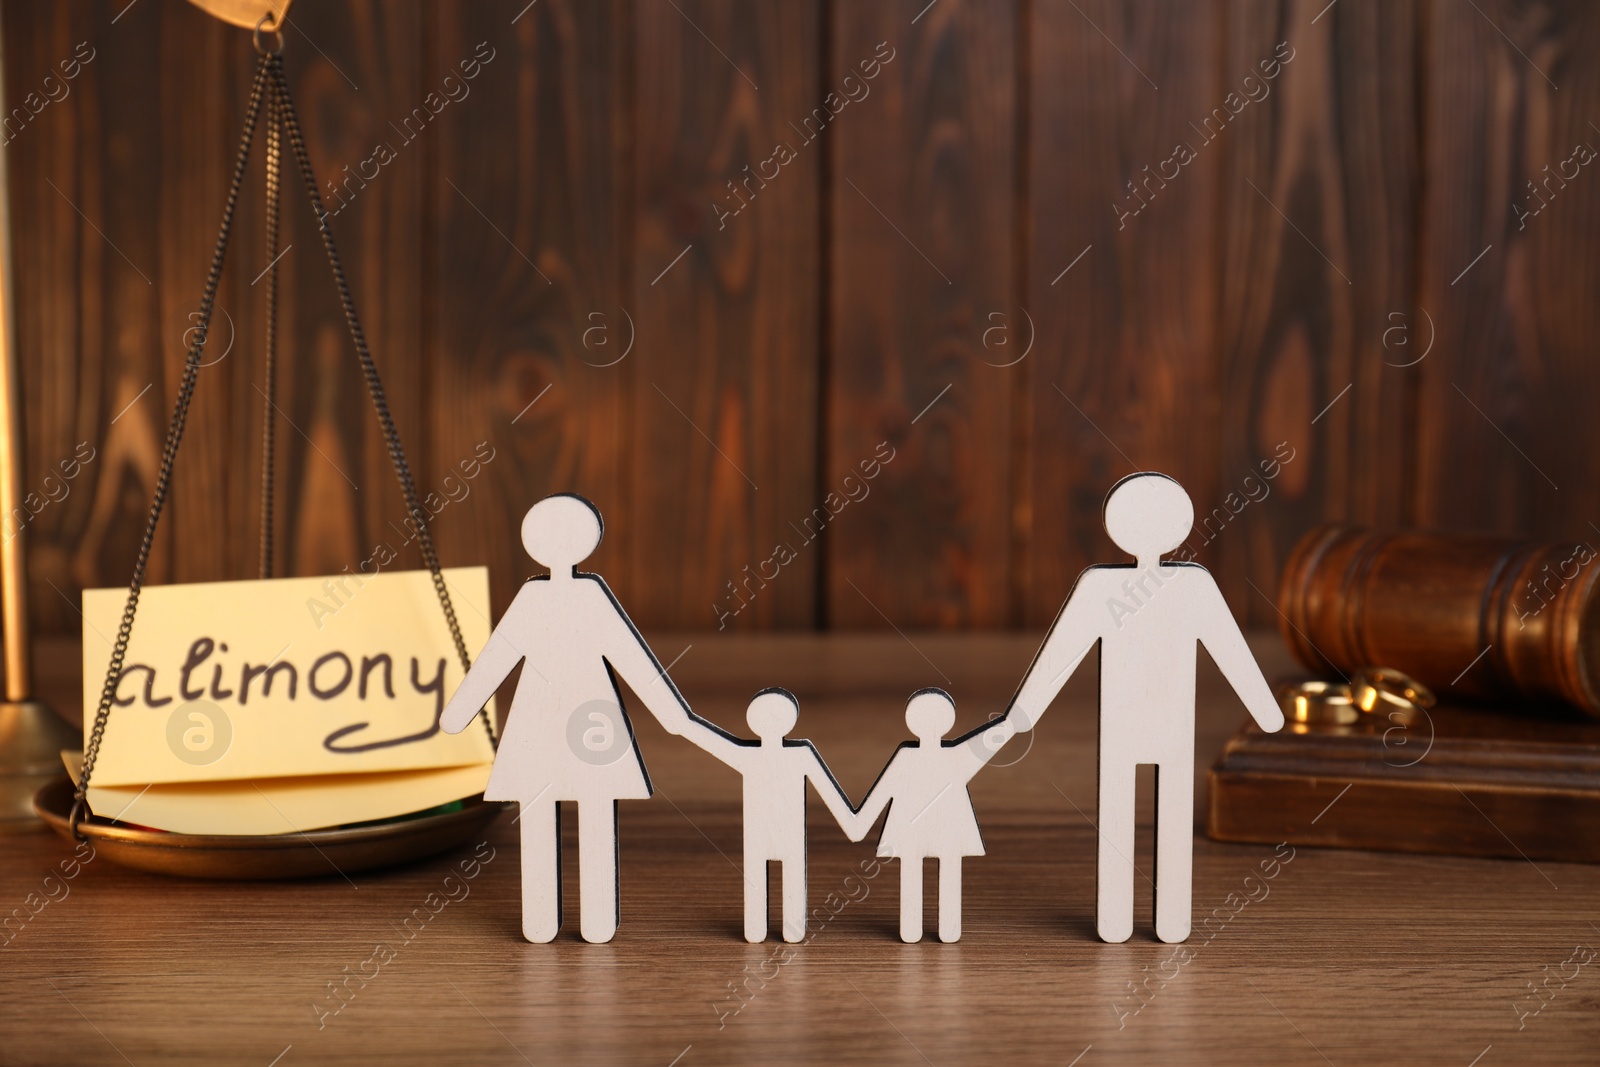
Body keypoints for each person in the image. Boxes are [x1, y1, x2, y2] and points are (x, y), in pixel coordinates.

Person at [1005, 472, 1283, 943]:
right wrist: (1024, 711)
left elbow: (1228, 647)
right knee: (1137, 812)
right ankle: (1131, 918)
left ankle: (1155, 918)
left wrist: (1023, 714)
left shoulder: (1175, 587)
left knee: (1147, 812)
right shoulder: (1125, 587)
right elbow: (1064, 651)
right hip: (1135, 723)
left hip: (1161, 724)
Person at [440, 493, 695, 944]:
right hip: (576, 721)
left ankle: (567, 918)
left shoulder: (557, 597)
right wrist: (675, 716)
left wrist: (459, 713)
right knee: (570, 809)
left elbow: (626, 656)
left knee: (569, 809)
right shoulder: (553, 597)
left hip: (569, 722)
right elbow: (500, 658)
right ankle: (561, 918)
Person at [681, 688, 857, 943]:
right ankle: (762, 930)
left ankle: (782, 930)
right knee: (761, 883)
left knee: (786, 881)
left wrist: (853, 823)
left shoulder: (796, 755)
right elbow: (703, 735)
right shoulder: (757, 754)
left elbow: (830, 792)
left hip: (783, 834)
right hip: (761, 835)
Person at [845, 688, 1015, 943]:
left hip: (932, 829)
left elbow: (997, 734)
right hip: (930, 830)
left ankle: (936, 928)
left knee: (936, 870)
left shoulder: (949, 755)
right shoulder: (946, 755)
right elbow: (997, 735)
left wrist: (858, 823)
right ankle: (931, 928)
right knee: (927, 870)